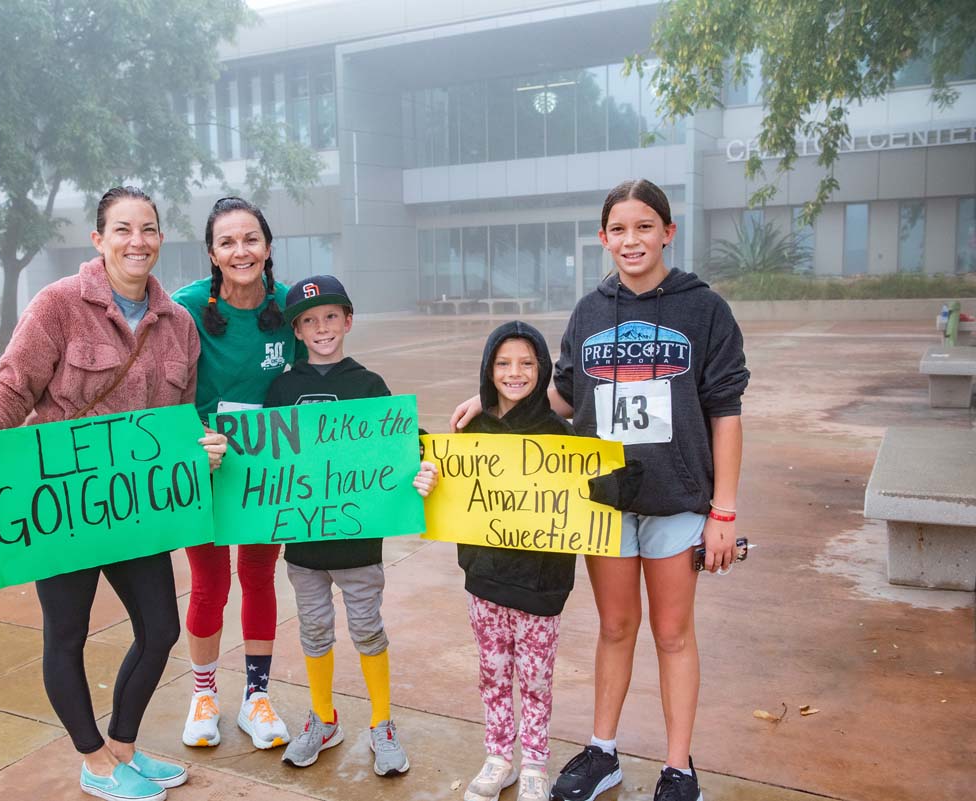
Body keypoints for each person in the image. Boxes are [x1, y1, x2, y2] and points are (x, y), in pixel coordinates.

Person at [452, 179, 749, 801]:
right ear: (602, 238)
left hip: (677, 501)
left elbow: (725, 412)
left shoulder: (705, 310)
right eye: (619, 229)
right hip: (604, 504)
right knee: (615, 628)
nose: (631, 239)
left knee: (673, 634)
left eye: (645, 227)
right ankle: (604, 752)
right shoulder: (590, 312)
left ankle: (677, 768)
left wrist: (723, 510)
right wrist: (491, 403)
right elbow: (563, 397)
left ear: (668, 232)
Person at [0, 186, 228, 801]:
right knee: (67, 634)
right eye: (122, 229)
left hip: (137, 510)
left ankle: (123, 749)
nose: (138, 241)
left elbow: (180, 418)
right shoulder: (57, 306)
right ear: (98, 239)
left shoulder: (177, 324)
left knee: (159, 628)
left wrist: (202, 445)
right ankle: (93, 761)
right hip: (64, 508)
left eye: (149, 229)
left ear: (160, 237)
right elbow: (12, 385)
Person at [262, 275, 439, 775]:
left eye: (331, 317)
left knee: (367, 628)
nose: (322, 328)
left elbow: (402, 443)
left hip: (358, 543)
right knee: (314, 630)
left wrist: (425, 460)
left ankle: (382, 723)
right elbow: (261, 459)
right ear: (297, 330)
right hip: (304, 544)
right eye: (311, 321)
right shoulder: (283, 388)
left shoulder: (367, 385)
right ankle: (322, 719)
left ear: (348, 321)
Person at [170, 197, 305, 751]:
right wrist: (192, 442)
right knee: (209, 584)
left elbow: (317, 380)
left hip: (263, 473)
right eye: (227, 242)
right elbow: (156, 392)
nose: (240, 251)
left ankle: (256, 696)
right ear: (211, 253)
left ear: (268, 248)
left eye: (250, 239)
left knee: (257, 577)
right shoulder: (182, 309)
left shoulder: (290, 307)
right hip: (204, 466)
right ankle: (203, 696)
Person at [456, 321, 577, 801]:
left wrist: (610, 488)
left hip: (542, 586)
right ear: (488, 369)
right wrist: (428, 478)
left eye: (527, 363)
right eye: (503, 363)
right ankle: (499, 756)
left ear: (543, 369)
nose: (515, 372)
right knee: (492, 673)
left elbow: (583, 499)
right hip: (485, 580)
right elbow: (452, 488)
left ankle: (535, 764)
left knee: (536, 679)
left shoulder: (562, 435)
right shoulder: (471, 430)